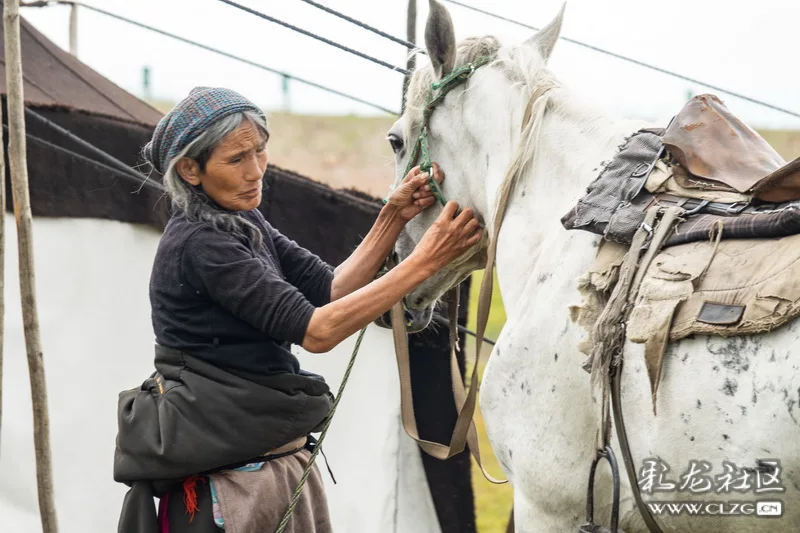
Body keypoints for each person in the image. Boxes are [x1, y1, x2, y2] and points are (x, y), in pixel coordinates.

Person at [114, 87, 482, 533]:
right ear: (191, 170)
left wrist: (393, 217)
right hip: (230, 488)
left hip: (265, 462)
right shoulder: (202, 244)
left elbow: (330, 288)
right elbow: (318, 331)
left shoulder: (241, 220)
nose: (256, 172)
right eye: (236, 160)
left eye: (261, 152)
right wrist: (426, 259)